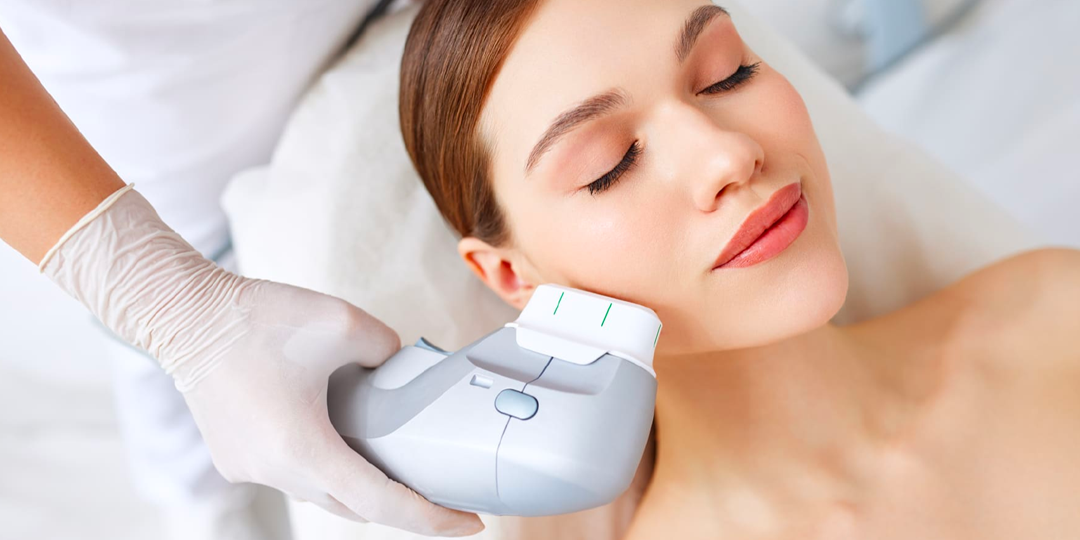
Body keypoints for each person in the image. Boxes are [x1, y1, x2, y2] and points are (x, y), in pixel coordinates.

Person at [397, 0, 1080, 538]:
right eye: (612, 165)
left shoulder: (1055, 313)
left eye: (727, 74)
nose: (729, 154)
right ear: (514, 278)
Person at [0, 2, 482, 538]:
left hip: (366, 29)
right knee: (168, 373)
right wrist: (163, 301)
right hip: (150, 121)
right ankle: (196, 502)